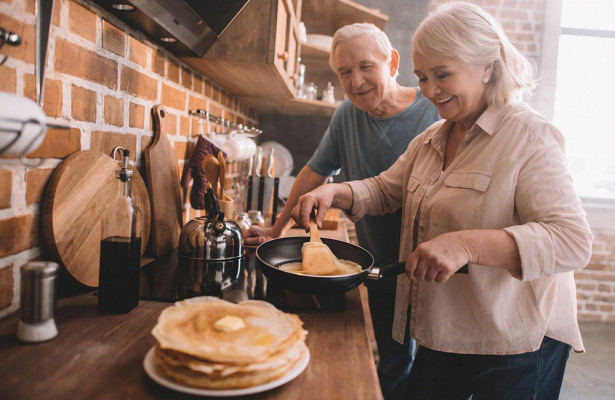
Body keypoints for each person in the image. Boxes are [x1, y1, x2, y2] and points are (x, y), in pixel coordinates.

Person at [291, 3, 593, 399]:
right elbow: (385, 190)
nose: (430, 90)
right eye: (422, 77)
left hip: (515, 343)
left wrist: (465, 244)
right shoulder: (432, 137)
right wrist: (336, 191)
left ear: (487, 66)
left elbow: (571, 240)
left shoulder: (529, 136)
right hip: (445, 328)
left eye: (443, 75)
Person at [244, 23, 440, 400]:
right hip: (380, 266)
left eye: (366, 66)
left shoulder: (433, 112)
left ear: (392, 62)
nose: (356, 81)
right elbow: (313, 172)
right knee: (393, 363)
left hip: (429, 268)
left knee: (434, 372)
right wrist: (276, 228)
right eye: (344, 72)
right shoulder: (347, 115)